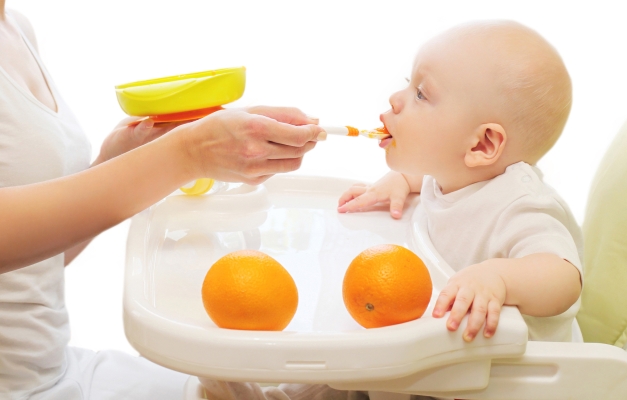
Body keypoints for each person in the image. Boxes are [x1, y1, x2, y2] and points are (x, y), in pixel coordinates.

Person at [201, 20, 583, 400]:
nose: (396, 100)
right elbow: (434, 183)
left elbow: (563, 277)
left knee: (357, 374)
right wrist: (402, 181)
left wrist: (497, 279)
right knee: (345, 365)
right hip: (442, 359)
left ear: (482, 145)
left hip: (498, 382)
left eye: (421, 94)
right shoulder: (455, 173)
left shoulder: (519, 205)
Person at [0, 5, 324, 400]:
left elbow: (31, 260)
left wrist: (117, 159)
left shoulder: (15, 28)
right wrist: (184, 155)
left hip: (56, 371)